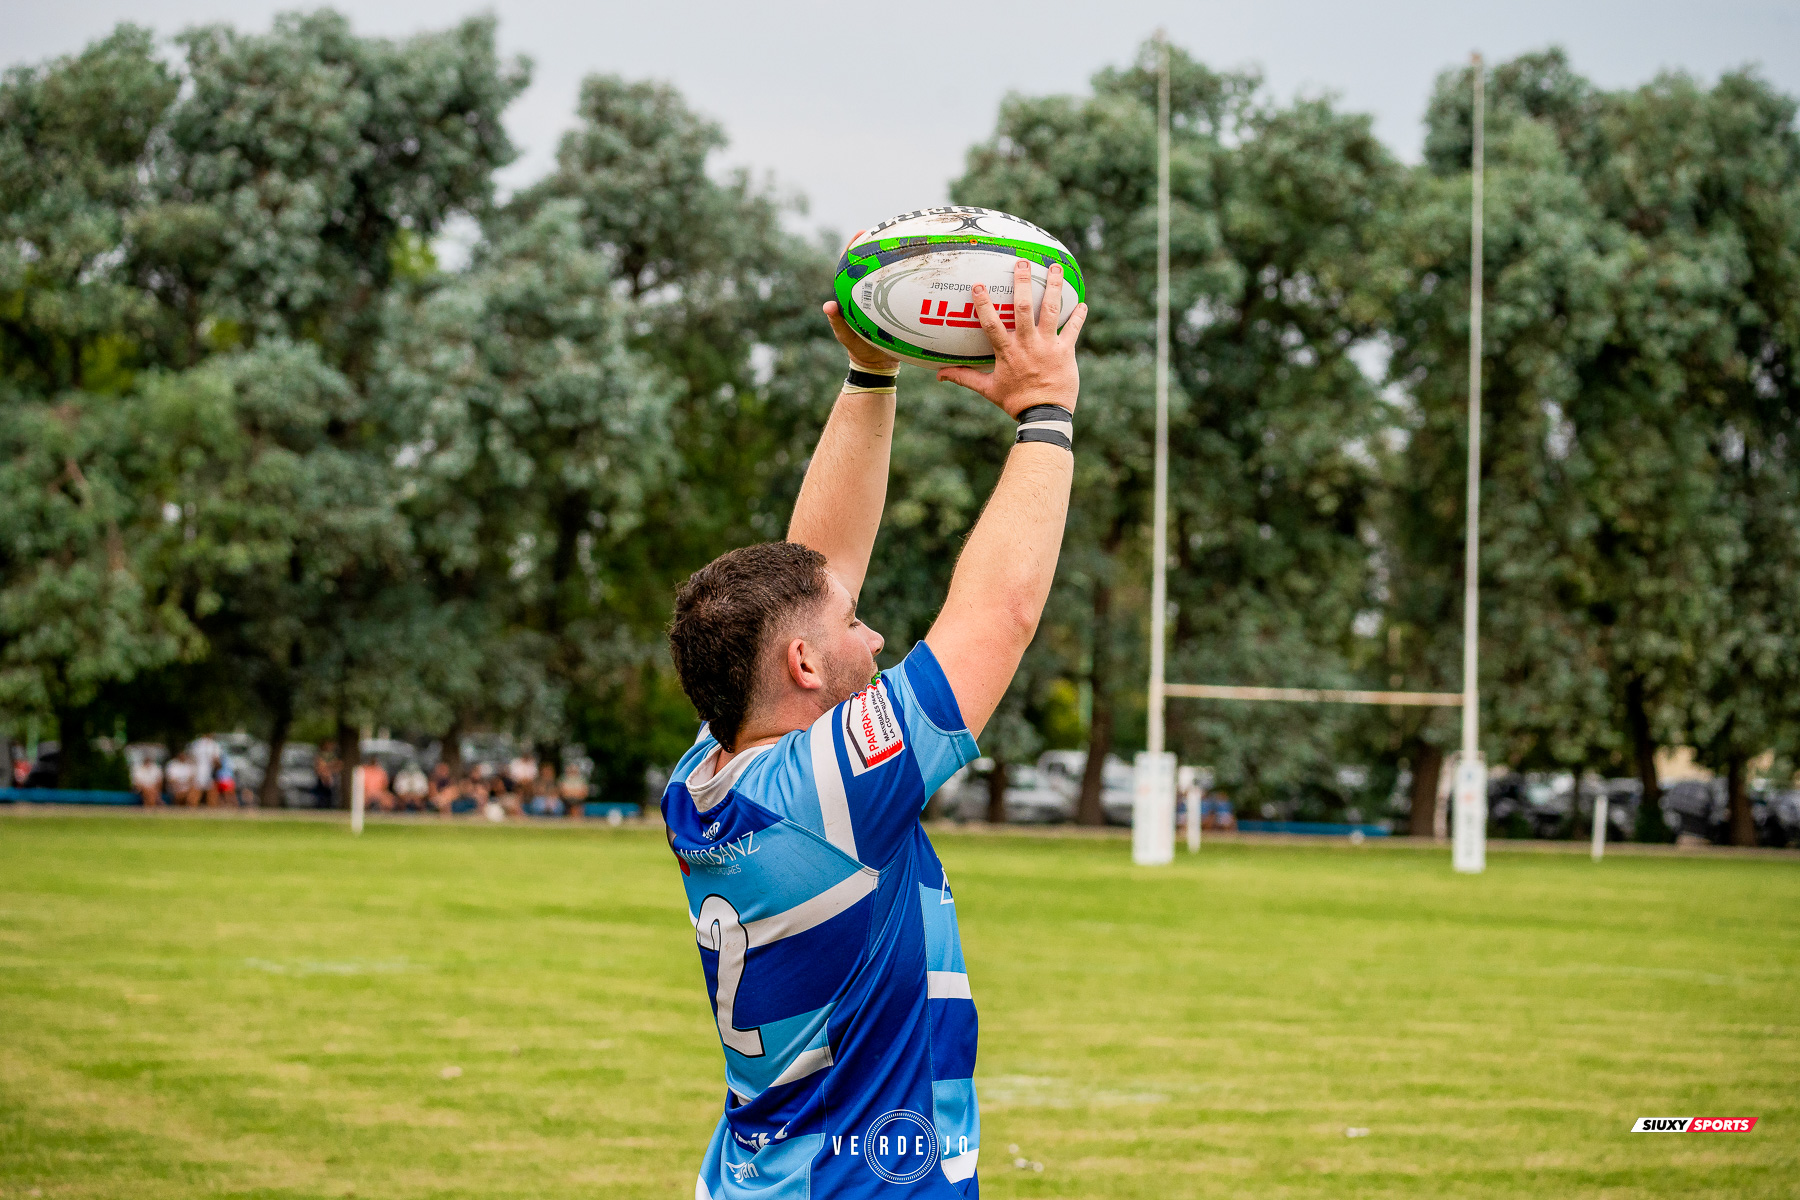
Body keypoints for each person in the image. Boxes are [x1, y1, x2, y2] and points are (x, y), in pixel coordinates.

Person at [660, 254, 1084, 1198]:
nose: (876, 630)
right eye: (854, 627)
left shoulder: (707, 773)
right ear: (804, 667)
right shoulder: (828, 790)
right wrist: (1046, 410)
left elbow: (816, 571)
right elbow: (999, 616)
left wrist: (871, 371)